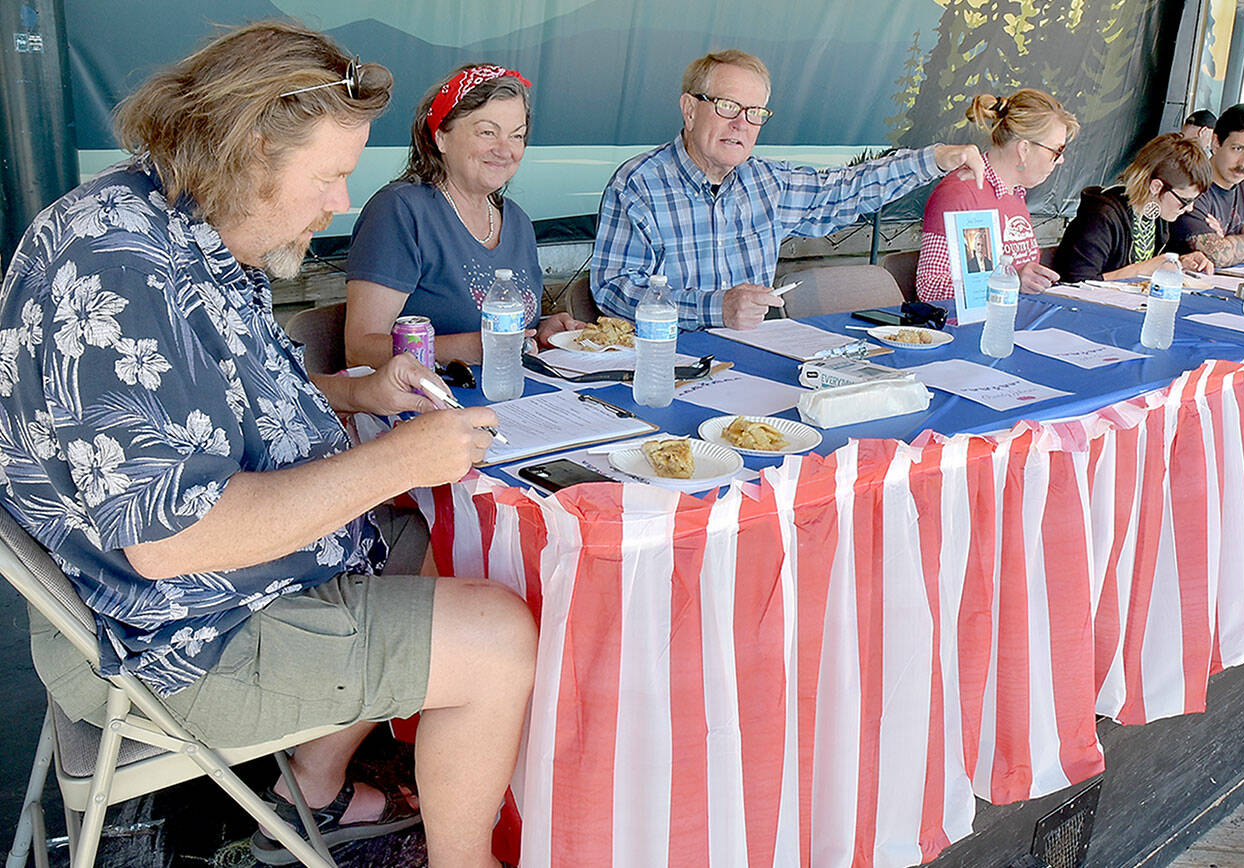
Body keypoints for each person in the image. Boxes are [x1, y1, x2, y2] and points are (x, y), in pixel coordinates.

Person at [0, 22, 534, 868]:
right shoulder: (120, 271)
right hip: (178, 636)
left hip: (217, 584)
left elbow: (208, 410)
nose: (340, 202)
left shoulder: (174, 223)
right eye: (329, 175)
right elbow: (177, 538)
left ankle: (315, 783)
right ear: (251, 149)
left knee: (451, 539)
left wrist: (360, 392)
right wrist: (398, 458)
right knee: (501, 634)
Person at [590, 49, 986, 330]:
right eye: (727, 106)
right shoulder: (639, 184)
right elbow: (612, 291)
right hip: (667, 364)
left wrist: (933, 160)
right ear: (690, 109)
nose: (741, 124)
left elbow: (847, 189)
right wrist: (714, 307)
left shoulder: (765, 183)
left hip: (752, 358)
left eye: (754, 113)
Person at [345, 65, 584, 369]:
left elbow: (509, 338)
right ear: (441, 136)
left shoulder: (518, 222)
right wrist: (466, 348)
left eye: (517, 135)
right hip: (425, 405)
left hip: (510, 399)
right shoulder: (400, 211)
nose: (505, 149)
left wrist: (540, 334)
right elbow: (360, 349)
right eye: (487, 132)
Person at [916, 88, 1079, 302]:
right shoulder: (961, 193)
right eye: (1056, 151)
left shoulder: (1014, 193)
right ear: (1024, 149)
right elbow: (929, 287)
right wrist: (1012, 283)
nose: (1060, 160)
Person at [1053, 133, 1215, 282]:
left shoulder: (1158, 215)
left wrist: (1182, 260)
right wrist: (1141, 270)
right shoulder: (1101, 215)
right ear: (1157, 187)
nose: (1189, 209)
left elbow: (1162, 261)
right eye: (1185, 201)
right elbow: (1075, 283)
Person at [1169, 103, 1244, 267]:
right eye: (1238, 148)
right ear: (1216, 143)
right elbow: (1217, 256)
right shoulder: (1191, 184)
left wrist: (1231, 246)